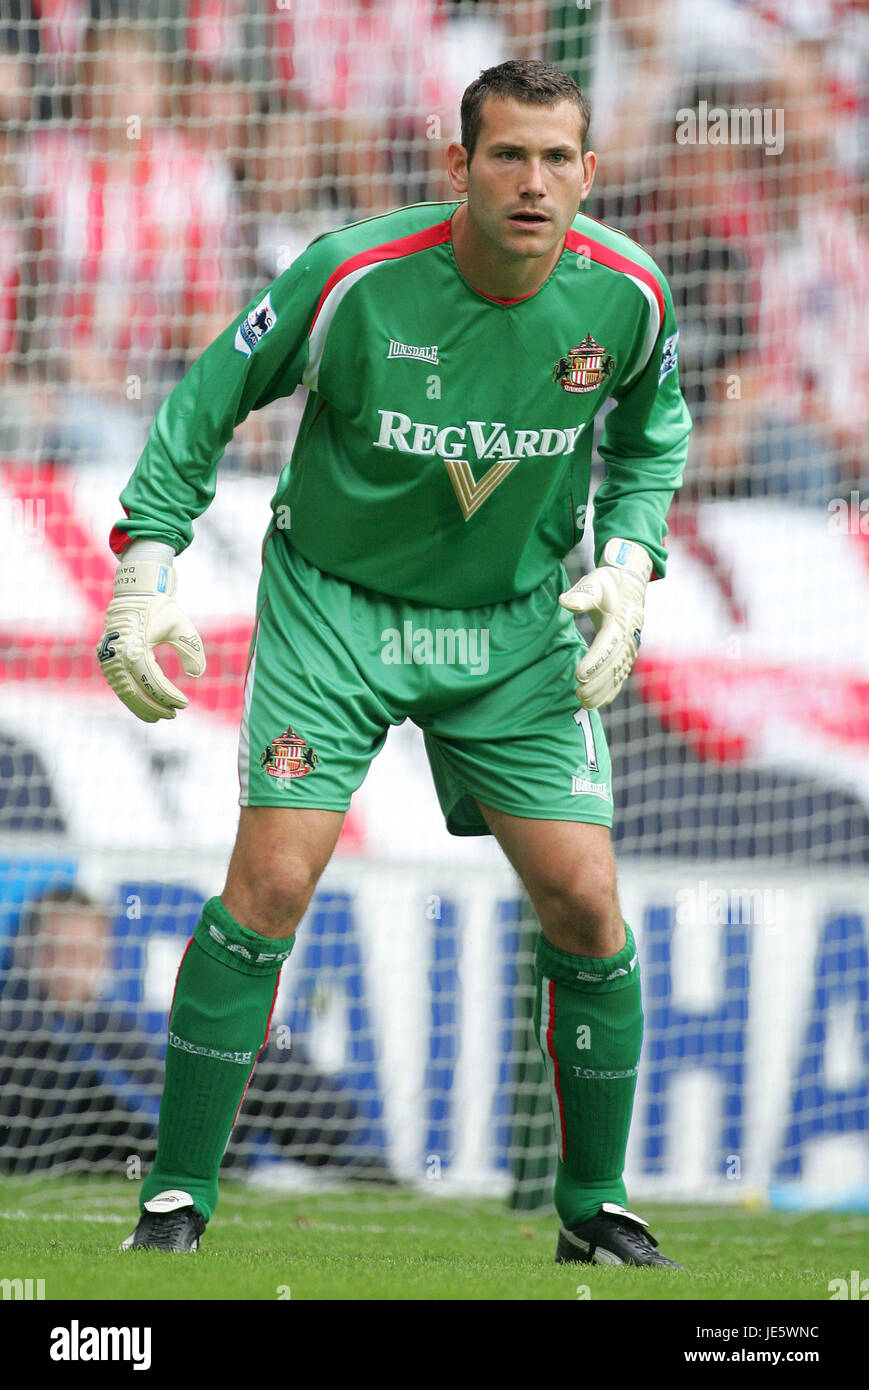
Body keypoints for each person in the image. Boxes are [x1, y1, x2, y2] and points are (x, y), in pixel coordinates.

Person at [97, 59, 691, 1264]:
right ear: (459, 164)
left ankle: (593, 1206)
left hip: (511, 621)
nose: (533, 183)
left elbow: (649, 438)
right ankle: (174, 1199)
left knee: (583, 899)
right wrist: (144, 568)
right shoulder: (350, 275)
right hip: (337, 607)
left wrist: (628, 564)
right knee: (268, 886)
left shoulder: (627, 296)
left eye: (556, 158)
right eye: (508, 156)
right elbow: (205, 402)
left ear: (590, 170)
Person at [0, 887, 394, 1183]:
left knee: (257, 1046)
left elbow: (155, 1083)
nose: (70, 971)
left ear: (106, 958)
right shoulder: (20, 1031)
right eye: (56, 954)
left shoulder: (106, 1027)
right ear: (24, 953)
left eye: (84, 957)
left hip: (181, 1145)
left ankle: (355, 1164)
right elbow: (136, 1100)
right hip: (145, 1155)